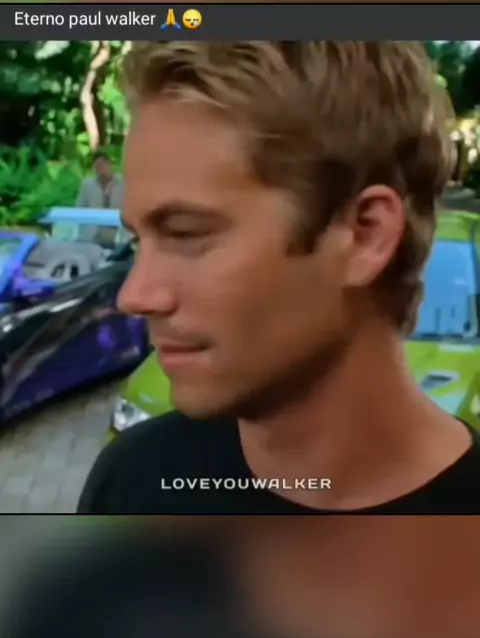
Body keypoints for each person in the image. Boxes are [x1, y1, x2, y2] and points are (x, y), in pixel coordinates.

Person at [78, 41, 480, 515]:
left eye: (186, 234)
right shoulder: (133, 481)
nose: (135, 295)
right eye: (139, 240)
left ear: (364, 234)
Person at [76, 149, 124, 248]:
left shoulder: (124, 183)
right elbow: (79, 208)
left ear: (110, 164)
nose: (101, 170)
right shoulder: (87, 185)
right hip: (93, 235)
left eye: (103, 166)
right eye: (97, 167)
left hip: (118, 234)